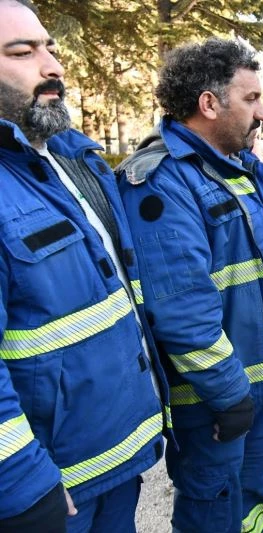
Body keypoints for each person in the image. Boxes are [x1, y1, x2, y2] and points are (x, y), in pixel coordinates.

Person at [116, 39, 263, 533]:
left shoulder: (239, 168)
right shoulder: (162, 182)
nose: (262, 111)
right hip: (213, 399)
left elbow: (258, 254)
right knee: (212, 509)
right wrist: (229, 397)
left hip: (255, 385)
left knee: (249, 504)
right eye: (250, 99)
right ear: (209, 103)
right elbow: (182, 310)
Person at [0, 1, 165, 531]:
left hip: (118, 455)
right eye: (23, 52)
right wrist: (22, 481)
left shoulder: (75, 159)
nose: (53, 65)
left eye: (49, 46)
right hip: (52, 485)